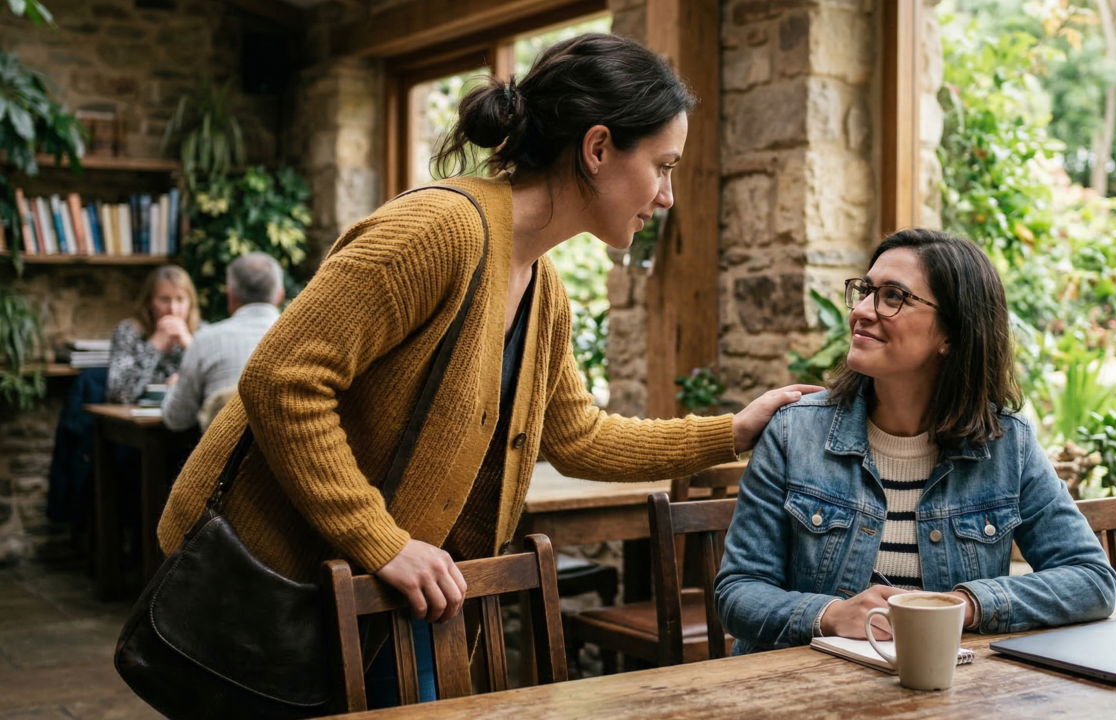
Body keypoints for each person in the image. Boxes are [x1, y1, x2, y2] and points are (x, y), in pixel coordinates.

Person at [157, 33, 820, 706]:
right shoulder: (438, 230)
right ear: (597, 149)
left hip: (386, 589)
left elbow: (578, 437)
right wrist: (382, 542)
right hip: (272, 572)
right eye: (663, 165)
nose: (668, 196)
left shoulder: (543, 290)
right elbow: (281, 380)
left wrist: (731, 431)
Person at [715, 229, 1116, 654]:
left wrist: (962, 606)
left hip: (945, 691)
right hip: (805, 692)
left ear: (952, 334)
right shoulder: (794, 433)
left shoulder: (1006, 445)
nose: (863, 311)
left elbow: (1091, 579)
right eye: (866, 291)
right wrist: (832, 615)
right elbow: (738, 593)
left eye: (893, 297)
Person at [162, 253, 284, 432]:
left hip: (224, 457)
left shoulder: (204, 340)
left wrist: (173, 387)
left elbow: (177, 420)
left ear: (231, 296)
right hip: (293, 457)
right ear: (280, 295)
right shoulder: (307, 340)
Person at [106, 265, 201, 404]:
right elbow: (119, 394)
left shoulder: (203, 333)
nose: (173, 309)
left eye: (180, 299)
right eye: (164, 299)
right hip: (136, 420)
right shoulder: (128, 332)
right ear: (149, 302)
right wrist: (154, 347)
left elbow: (218, 389)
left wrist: (190, 346)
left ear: (190, 303)